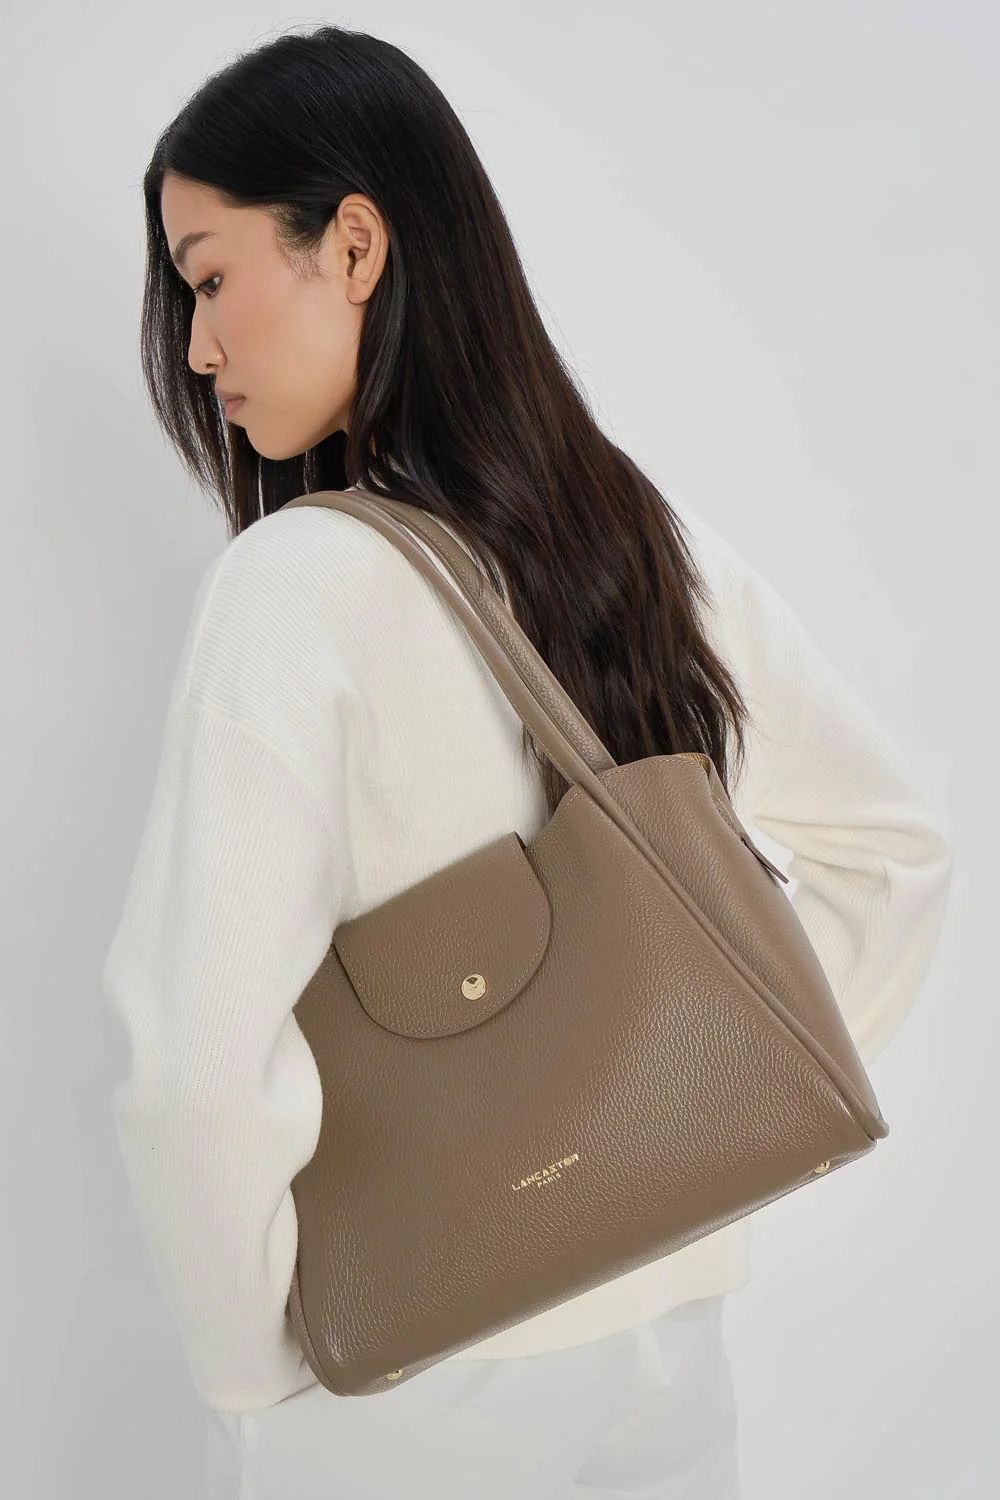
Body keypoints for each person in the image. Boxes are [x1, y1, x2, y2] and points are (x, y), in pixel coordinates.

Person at [101, 24, 954, 1500]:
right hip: (670, 1344)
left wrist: (256, 1371)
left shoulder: (292, 587)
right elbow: (894, 856)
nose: (196, 347)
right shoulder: (634, 534)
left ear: (352, 245)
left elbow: (192, 1065)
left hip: (410, 1391)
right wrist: (689, 1130)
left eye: (212, 275)